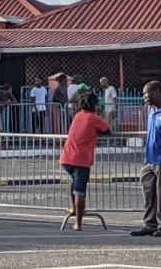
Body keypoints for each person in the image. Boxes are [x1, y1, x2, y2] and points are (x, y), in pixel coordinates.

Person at [131, 81, 161, 238]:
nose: (145, 97)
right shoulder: (152, 111)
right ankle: (149, 223)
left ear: (159, 92)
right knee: (149, 193)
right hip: (149, 160)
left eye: (148, 93)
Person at [59, 93, 111, 231]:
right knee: (80, 191)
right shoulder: (93, 118)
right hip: (81, 160)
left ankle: (74, 208)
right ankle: (79, 223)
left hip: (66, 157)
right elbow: (107, 129)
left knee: (73, 182)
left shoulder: (78, 116)